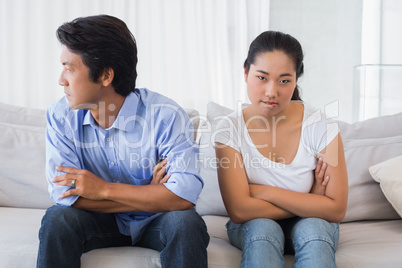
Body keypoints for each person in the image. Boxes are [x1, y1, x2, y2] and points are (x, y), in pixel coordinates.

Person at [37, 15, 209, 268]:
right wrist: (151, 195)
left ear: (106, 75)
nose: (61, 79)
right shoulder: (60, 116)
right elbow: (65, 195)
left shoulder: (165, 115)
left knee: (185, 222)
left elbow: (183, 197)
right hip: (98, 221)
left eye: (70, 68)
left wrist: (102, 189)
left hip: (156, 222)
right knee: (57, 218)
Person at [214, 31, 348, 267]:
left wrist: (264, 191)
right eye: (262, 77)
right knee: (263, 229)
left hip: (312, 223)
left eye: (284, 80)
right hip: (254, 225)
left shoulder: (321, 126)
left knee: (315, 229)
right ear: (246, 72)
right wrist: (310, 202)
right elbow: (240, 211)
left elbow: (336, 209)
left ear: (296, 80)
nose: (271, 92)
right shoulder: (228, 129)